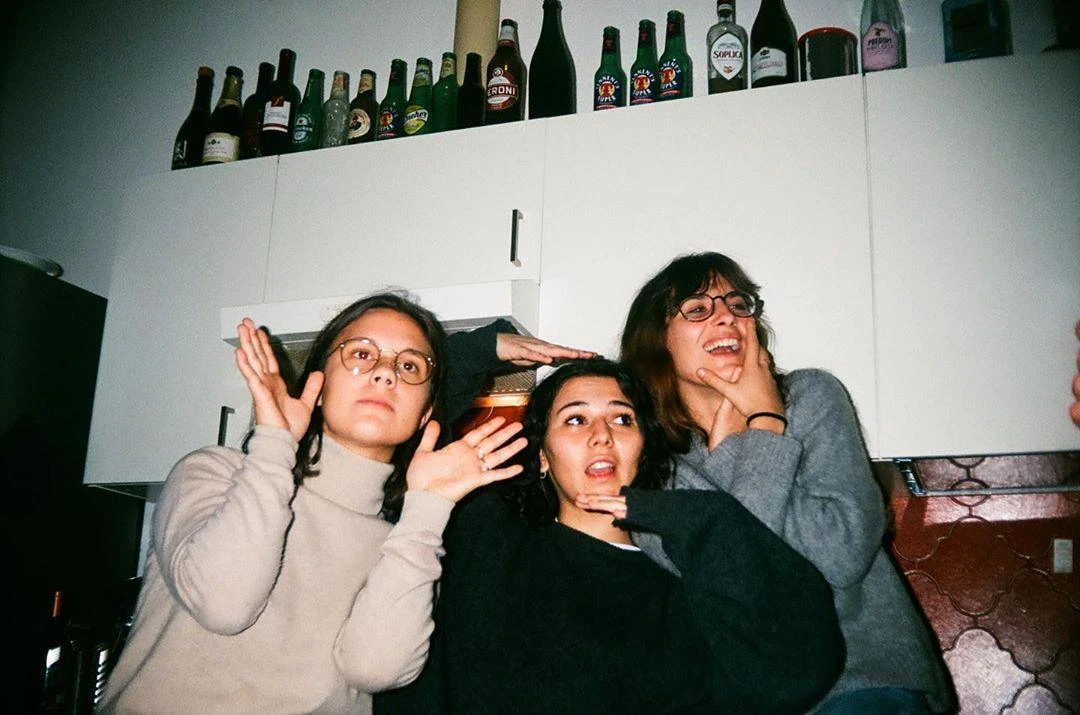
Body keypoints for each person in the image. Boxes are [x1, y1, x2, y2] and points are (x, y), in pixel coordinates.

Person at [99, 292, 533, 713]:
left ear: (424, 415)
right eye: (361, 354)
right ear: (318, 387)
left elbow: (375, 670)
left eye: (409, 365)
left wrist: (429, 509)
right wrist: (274, 442)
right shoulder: (214, 473)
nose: (386, 374)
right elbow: (223, 605)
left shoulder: (407, 541)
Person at [376, 359, 845, 714]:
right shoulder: (487, 535)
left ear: (644, 449)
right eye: (575, 419)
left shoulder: (678, 587)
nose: (602, 435)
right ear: (542, 456)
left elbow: (798, 669)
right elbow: (398, 406)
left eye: (622, 419)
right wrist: (490, 345)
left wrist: (701, 517)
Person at [617, 252, 954, 713]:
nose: (727, 318)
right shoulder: (649, 467)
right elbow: (741, 577)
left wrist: (760, 427)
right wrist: (762, 430)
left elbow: (841, 554)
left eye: (739, 304)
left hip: (862, 680)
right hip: (747, 697)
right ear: (656, 340)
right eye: (697, 309)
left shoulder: (809, 397)